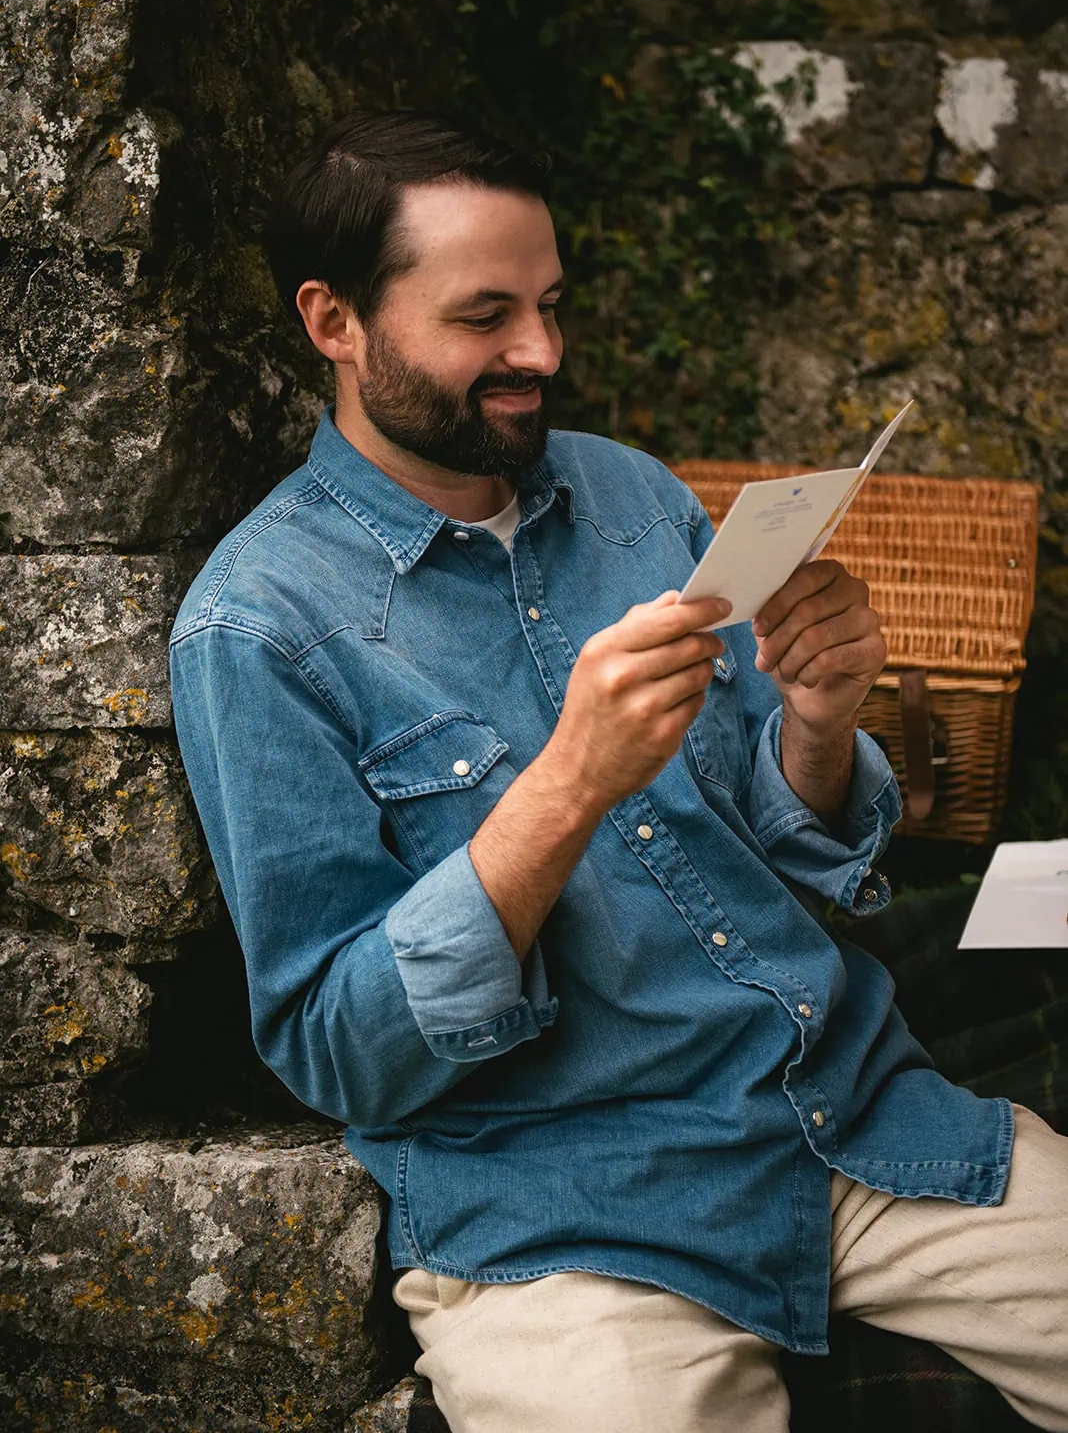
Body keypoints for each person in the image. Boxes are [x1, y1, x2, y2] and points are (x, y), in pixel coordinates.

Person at [169, 110, 1068, 1433]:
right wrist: (568, 784)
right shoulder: (256, 629)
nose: (542, 352)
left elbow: (780, 833)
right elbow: (338, 1045)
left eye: (549, 304)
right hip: (573, 1214)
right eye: (486, 315)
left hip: (850, 1122)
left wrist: (821, 720)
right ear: (335, 322)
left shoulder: (635, 498)